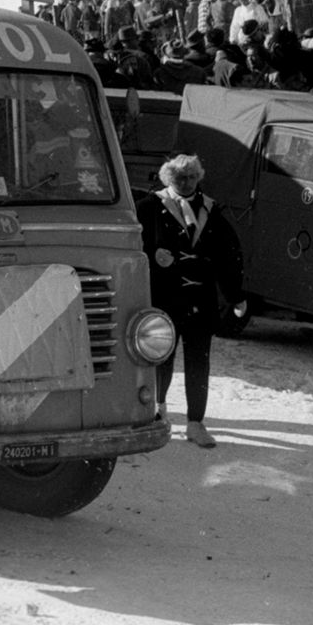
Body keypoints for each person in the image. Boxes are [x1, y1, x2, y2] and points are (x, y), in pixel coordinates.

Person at [138, 153, 245, 446]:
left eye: (192, 177)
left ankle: (196, 423)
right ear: (168, 179)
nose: (186, 183)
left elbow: (229, 255)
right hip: (164, 300)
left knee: (200, 362)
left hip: (201, 300)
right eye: (180, 178)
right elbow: (133, 249)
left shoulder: (212, 210)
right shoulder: (149, 208)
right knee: (162, 358)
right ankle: (158, 412)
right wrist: (152, 255)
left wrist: (235, 295)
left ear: (199, 178)